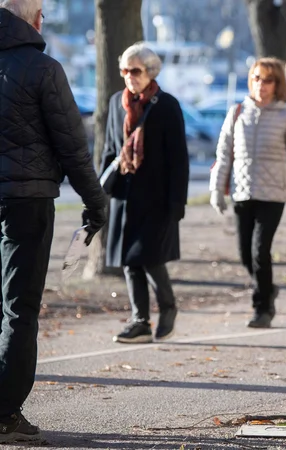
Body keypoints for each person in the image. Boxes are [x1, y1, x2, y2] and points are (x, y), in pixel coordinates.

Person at [0, 0, 107, 442]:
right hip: (26, 200)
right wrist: (96, 202)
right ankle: (5, 413)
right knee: (18, 309)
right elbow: (72, 146)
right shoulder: (43, 69)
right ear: (34, 18)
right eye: (41, 12)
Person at [210, 57, 286, 329]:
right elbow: (224, 155)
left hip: (273, 195)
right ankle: (268, 287)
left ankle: (263, 308)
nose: (261, 85)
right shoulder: (237, 113)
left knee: (261, 252)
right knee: (245, 254)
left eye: (268, 80)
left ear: (277, 84)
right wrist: (216, 189)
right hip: (242, 193)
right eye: (257, 78)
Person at [100, 42, 189, 344]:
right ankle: (140, 320)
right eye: (123, 70)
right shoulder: (116, 102)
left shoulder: (166, 104)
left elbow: (179, 159)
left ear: (151, 71)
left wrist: (177, 202)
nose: (128, 76)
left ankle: (168, 306)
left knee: (149, 257)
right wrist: (100, 188)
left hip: (156, 196)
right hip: (124, 195)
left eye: (135, 70)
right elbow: (110, 149)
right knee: (128, 259)